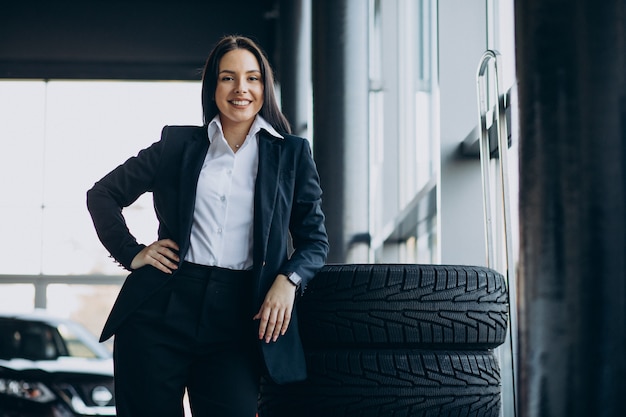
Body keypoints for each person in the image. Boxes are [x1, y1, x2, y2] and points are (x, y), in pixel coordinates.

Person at [86, 35, 329, 417]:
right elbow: (102, 195)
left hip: (239, 318)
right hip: (161, 309)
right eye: (227, 78)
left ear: (265, 86)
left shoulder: (292, 154)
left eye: (252, 78)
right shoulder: (176, 145)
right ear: (213, 87)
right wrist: (131, 253)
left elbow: (315, 241)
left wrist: (288, 280)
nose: (241, 89)